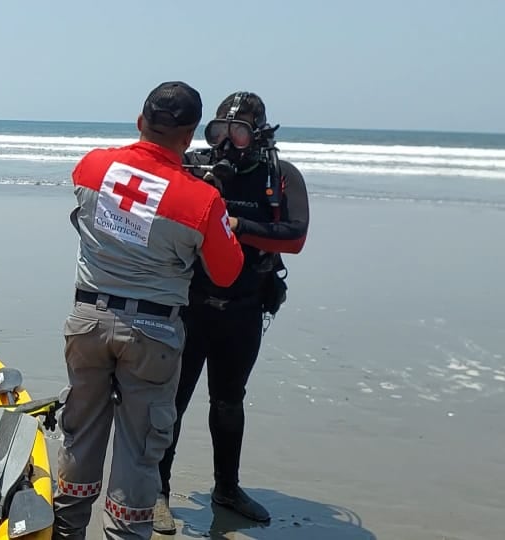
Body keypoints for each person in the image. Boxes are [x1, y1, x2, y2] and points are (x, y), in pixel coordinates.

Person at [52, 81, 245, 540]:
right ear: (190, 135)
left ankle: (66, 529)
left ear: (140, 121)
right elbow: (227, 272)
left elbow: (110, 217)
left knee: (80, 432)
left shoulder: (91, 166)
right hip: (152, 332)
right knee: (140, 448)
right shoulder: (200, 200)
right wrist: (218, 216)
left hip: (88, 320)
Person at [153, 91, 310, 532]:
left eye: (238, 132)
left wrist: (234, 225)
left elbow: (295, 236)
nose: (226, 142)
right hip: (189, 305)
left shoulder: (279, 175)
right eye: (219, 130)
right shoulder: (192, 167)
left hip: (244, 308)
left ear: (258, 135)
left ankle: (227, 488)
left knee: (228, 401)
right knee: (172, 401)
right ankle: (157, 491)